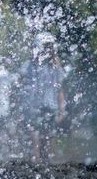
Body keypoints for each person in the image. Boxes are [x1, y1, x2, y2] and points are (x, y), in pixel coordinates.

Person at [18, 33, 66, 162]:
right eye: (46, 47)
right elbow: (21, 86)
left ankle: (47, 162)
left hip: (50, 106)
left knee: (48, 136)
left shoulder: (55, 66)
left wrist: (62, 109)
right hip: (34, 106)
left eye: (50, 47)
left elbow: (60, 89)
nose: (48, 50)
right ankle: (35, 161)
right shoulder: (28, 65)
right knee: (34, 134)